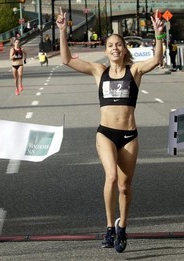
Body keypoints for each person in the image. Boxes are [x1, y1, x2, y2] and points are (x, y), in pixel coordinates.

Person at [56, 7, 164, 253]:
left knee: (125, 187)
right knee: (111, 178)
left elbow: (157, 60)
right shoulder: (99, 71)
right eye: (110, 45)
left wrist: (159, 35)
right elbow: (66, 60)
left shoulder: (134, 72)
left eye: (119, 45)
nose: (115, 48)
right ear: (105, 51)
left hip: (128, 136)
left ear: (124, 49)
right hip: (105, 133)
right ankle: (108, 227)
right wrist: (63, 31)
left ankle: (122, 228)